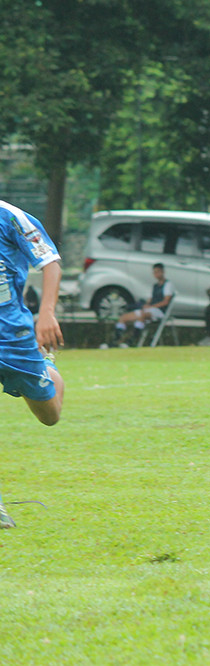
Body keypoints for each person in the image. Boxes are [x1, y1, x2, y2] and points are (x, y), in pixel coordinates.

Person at [1, 200, 65, 528]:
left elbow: (50, 263)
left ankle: (48, 372)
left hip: (12, 334)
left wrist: (47, 314)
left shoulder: (11, 217)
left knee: (49, 415)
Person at [102, 263, 175, 348]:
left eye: (158, 271)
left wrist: (151, 307)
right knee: (124, 317)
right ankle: (115, 341)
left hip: (159, 311)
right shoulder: (155, 286)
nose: (156, 274)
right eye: (154, 272)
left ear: (163, 272)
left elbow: (166, 301)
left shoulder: (168, 285)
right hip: (149, 310)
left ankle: (131, 341)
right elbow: (150, 300)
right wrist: (146, 305)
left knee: (142, 315)